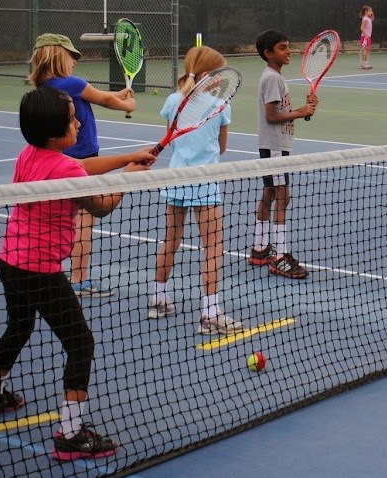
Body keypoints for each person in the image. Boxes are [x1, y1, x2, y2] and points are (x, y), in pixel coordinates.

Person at [0, 87, 150, 460]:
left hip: (10, 262)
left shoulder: (31, 154)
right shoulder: (65, 166)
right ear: (56, 133)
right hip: (41, 270)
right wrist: (130, 178)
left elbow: (83, 168)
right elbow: (101, 206)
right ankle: (71, 434)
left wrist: (129, 159)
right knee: (81, 343)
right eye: (72, 120)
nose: (79, 122)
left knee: (18, 326)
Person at [28, 33, 148, 298]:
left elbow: (98, 97)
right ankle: (80, 280)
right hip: (82, 159)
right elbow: (104, 100)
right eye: (72, 57)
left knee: (63, 220)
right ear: (58, 57)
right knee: (85, 220)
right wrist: (126, 103)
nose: (75, 62)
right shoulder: (70, 82)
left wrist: (116, 95)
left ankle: (56, 272)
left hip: (61, 157)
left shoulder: (45, 86)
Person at [149, 46, 244, 335]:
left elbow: (174, 140)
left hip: (175, 179)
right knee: (213, 247)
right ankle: (211, 313)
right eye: (218, 75)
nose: (221, 80)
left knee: (171, 240)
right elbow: (223, 147)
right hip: (205, 184)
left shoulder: (173, 100)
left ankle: (158, 298)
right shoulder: (220, 107)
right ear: (205, 76)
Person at [249, 29, 317, 279]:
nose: (289, 51)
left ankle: (260, 247)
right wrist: (300, 112)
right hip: (275, 146)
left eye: (289, 46)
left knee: (269, 193)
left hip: (276, 145)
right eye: (282, 47)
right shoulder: (272, 78)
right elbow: (272, 116)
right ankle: (279, 256)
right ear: (268, 53)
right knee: (282, 196)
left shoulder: (275, 77)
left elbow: (283, 111)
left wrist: (304, 110)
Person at [359, 5, 375, 69]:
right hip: (365, 37)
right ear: (366, 11)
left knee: (367, 50)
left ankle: (365, 63)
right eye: (370, 11)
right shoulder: (365, 18)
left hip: (368, 36)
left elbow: (372, 19)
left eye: (371, 11)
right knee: (365, 50)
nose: (371, 12)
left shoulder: (368, 18)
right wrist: (366, 35)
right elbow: (362, 28)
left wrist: (372, 14)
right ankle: (364, 64)